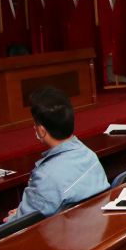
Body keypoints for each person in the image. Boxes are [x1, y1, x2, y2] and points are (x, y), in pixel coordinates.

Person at [9, 87, 109, 219]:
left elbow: (24, 222)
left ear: (42, 131)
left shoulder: (45, 176)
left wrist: (14, 217)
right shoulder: (89, 154)